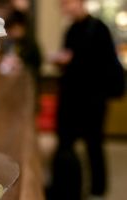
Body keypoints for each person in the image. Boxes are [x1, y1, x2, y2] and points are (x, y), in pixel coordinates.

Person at [48, 0, 124, 200]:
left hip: (93, 99)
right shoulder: (71, 29)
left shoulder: (99, 28)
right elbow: (69, 59)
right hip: (72, 97)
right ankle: (65, 187)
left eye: (66, 3)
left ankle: (97, 190)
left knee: (94, 144)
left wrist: (73, 60)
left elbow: (103, 64)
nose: (63, 8)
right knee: (65, 142)